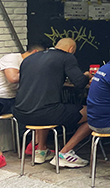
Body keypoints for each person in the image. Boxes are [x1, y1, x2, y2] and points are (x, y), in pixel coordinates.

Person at [14, 38, 93, 168]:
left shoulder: (30, 58)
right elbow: (79, 83)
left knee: (43, 105)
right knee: (94, 113)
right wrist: (87, 75)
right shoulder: (66, 57)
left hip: (21, 114)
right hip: (46, 113)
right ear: (71, 49)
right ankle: (64, 153)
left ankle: (41, 151)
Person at [0, 44, 44, 172]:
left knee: (42, 106)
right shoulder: (12, 58)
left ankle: (35, 144)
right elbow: (13, 78)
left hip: (16, 98)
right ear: (34, 52)